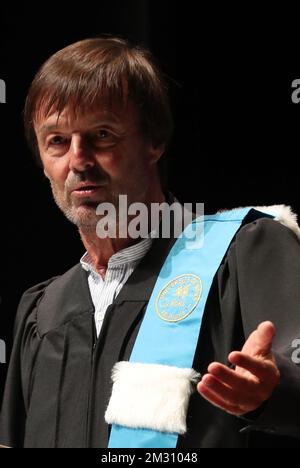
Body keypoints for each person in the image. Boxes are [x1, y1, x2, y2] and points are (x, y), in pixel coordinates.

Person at [1, 36, 300, 449]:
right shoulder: (43, 310)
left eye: (102, 134)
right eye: (57, 141)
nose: (78, 159)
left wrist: (275, 393)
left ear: (154, 142)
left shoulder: (243, 252)